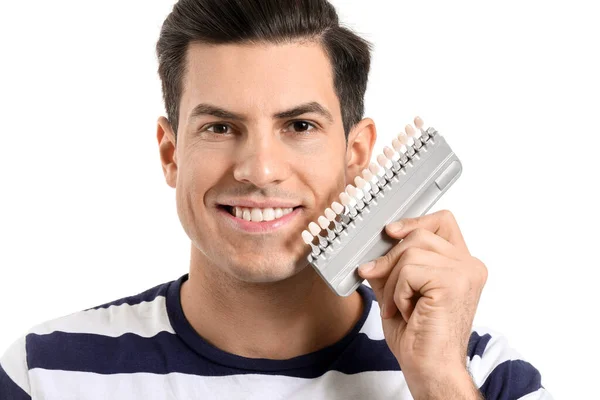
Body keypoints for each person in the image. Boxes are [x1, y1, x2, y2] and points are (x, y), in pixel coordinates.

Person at [0, 0, 553, 399]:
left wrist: (438, 383)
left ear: (357, 154)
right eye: (219, 127)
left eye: (299, 125)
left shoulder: (483, 376)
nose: (259, 170)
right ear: (171, 154)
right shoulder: (45, 373)